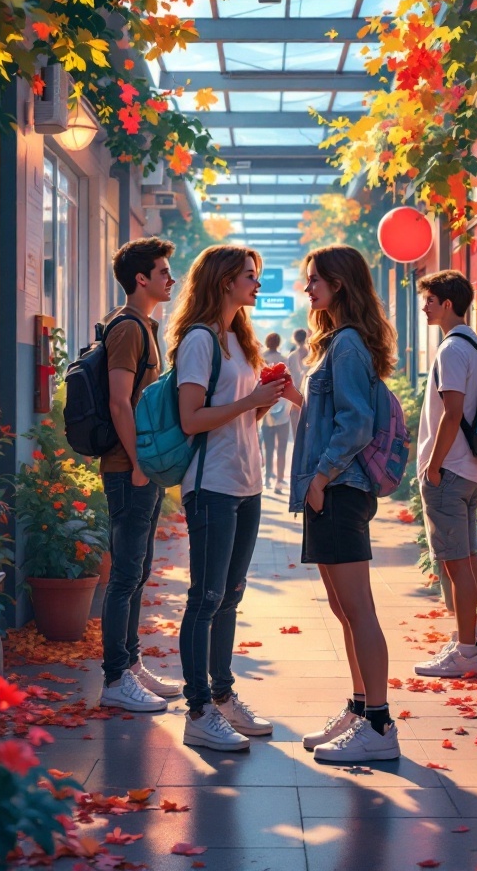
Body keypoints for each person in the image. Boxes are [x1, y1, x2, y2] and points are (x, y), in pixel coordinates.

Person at [166, 245, 287, 751]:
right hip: (210, 484)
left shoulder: (240, 339)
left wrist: (264, 401)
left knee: (230, 596)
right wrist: (250, 400)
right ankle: (197, 711)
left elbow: (239, 417)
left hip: (246, 482)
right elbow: (191, 419)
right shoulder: (199, 340)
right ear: (223, 282)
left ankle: (222, 696)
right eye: (249, 276)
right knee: (206, 597)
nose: (257, 284)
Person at [288, 245, 400, 763]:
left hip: (340, 489)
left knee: (359, 609)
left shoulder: (348, 343)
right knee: (344, 610)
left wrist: (322, 476)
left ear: (339, 283)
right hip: (329, 490)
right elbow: (333, 414)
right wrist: (298, 400)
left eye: (315, 280)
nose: (308, 288)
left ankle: (378, 723)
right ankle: (360, 708)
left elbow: (355, 423)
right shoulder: (337, 343)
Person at [100, 237, 183, 713]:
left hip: (141, 466)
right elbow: (118, 401)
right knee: (126, 572)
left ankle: (129, 665)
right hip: (127, 467)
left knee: (138, 570)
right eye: (163, 272)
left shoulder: (145, 326)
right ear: (141, 279)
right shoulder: (129, 329)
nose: (170, 279)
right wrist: (136, 464)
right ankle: (115, 677)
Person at [414, 270, 477, 678]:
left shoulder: (450, 350)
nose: (425, 306)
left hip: (452, 468)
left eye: (430, 300)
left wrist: (434, 465)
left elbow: (453, 412)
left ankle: (464, 651)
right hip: (472, 467)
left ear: (447, 304)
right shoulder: (475, 344)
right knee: (470, 560)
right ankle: (473, 645)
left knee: (455, 565)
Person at [261, 332, 292, 493]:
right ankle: (279, 481)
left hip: (266, 410)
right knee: (281, 448)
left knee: (269, 446)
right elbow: (289, 385)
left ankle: (267, 479)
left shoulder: (261, 359)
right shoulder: (284, 360)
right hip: (282, 410)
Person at [286, 328, 309, 441]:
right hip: (309, 397)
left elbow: (290, 378)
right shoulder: (312, 353)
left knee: (297, 437)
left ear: (294, 339)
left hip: (294, 398)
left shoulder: (291, 356)